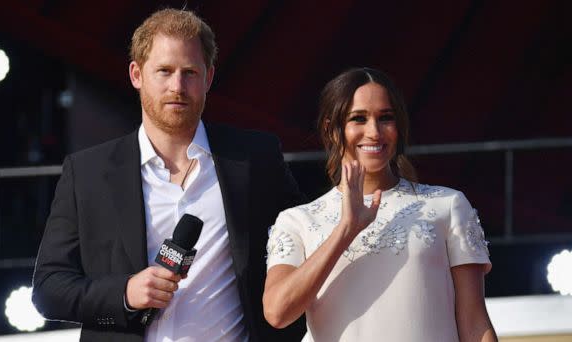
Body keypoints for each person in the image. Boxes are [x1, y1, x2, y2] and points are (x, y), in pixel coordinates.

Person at [32, 8, 305, 342]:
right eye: (164, 71)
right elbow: (48, 289)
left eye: (190, 72)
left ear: (208, 78)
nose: (178, 86)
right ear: (136, 74)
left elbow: (304, 246)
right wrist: (125, 293)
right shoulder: (87, 173)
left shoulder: (254, 158)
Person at [263, 67, 497, 341]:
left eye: (385, 118)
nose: (374, 132)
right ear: (332, 129)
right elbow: (278, 312)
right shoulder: (298, 221)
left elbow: (474, 322)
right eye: (358, 119)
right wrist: (347, 228)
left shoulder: (447, 206)